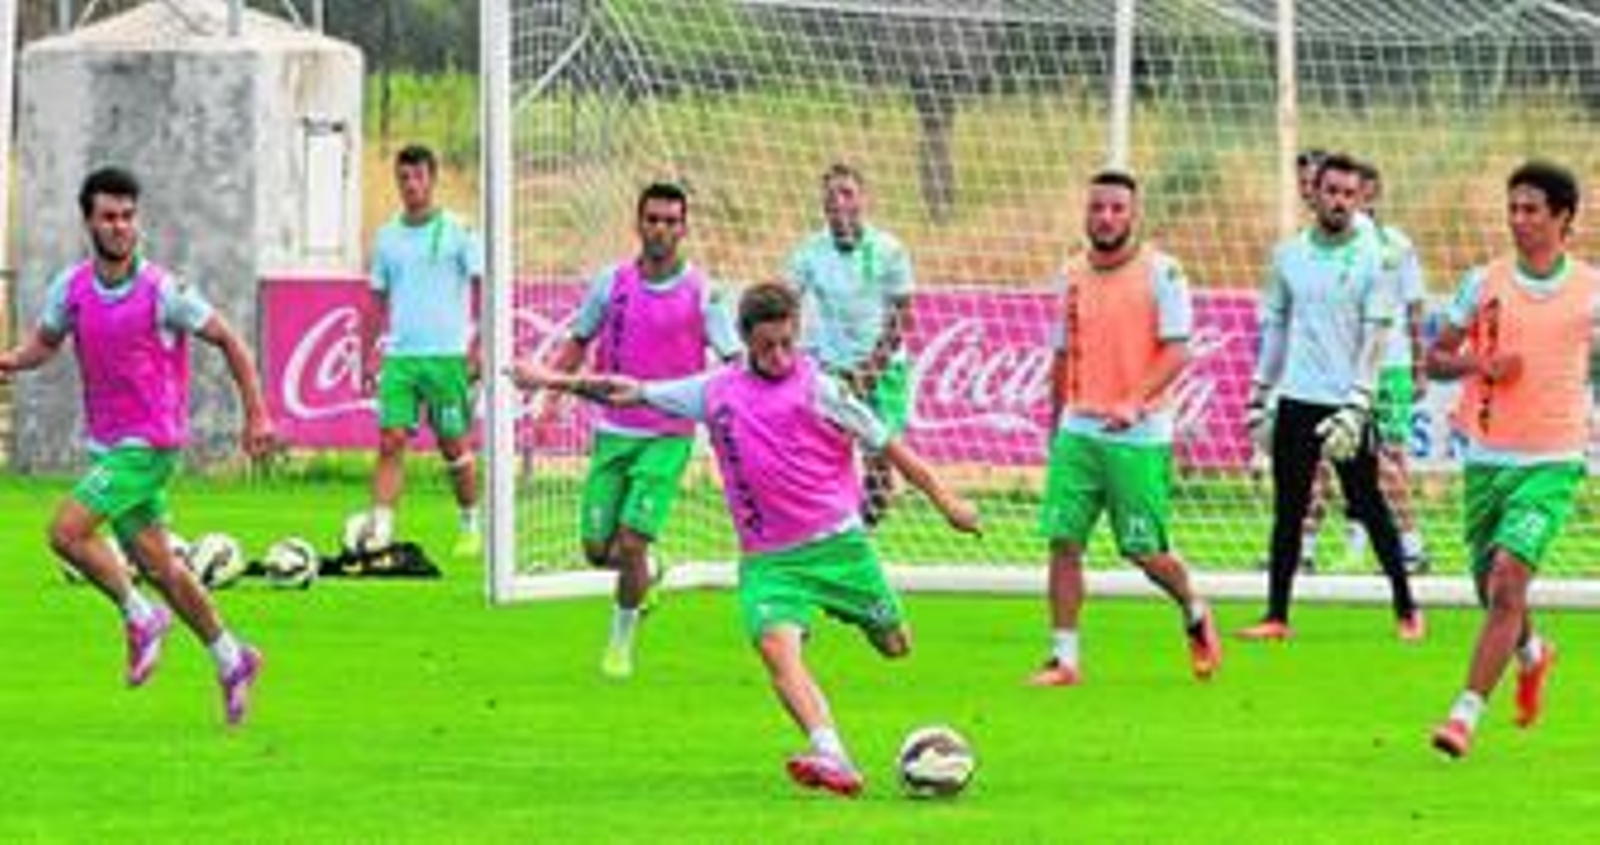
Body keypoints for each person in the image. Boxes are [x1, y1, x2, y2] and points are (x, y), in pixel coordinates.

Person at [510, 282, 980, 797]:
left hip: (837, 547)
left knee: (896, 645)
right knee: (776, 650)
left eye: (786, 343)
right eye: (766, 347)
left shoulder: (822, 389)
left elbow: (888, 445)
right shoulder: (716, 390)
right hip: (769, 561)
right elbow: (627, 389)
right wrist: (551, 379)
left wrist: (947, 501)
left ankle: (834, 616)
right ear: (744, 342)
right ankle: (833, 755)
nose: (779, 356)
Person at [0, 167, 272, 724]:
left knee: (66, 532)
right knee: (163, 568)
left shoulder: (163, 291)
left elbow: (230, 341)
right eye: (109, 217)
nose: (121, 227)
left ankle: (139, 616)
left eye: (128, 216)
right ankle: (231, 656)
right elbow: (44, 345)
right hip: (109, 446)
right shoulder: (71, 289)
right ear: (89, 222)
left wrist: (257, 415)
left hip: (149, 445)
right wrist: (8, 361)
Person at [543, 181, 741, 679]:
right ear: (638, 223)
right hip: (613, 431)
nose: (661, 229)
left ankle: (619, 645)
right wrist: (550, 397)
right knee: (597, 550)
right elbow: (578, 341)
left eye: (671, 221)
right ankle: (646, 574)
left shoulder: (703, 292)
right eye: (653, 219)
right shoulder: (611, 284)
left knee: (631, 541)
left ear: (684, 227)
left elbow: (734, 361)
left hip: (669, 435)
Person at [1031, 170, 1221, 686]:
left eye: (1117, 208)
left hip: (1139, 435)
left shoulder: (1164, 272)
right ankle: (1064, 657)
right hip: (1078, 429)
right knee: (1063, 541)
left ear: (1133, 215)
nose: (1106, 217)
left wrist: (1134, 401)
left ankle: (1194, 609)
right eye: (1097, 208)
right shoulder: (1069, 274)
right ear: (1085, 213)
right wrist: (1055, 427)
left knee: (1143, 550)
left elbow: (1178, 348)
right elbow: (1062, 352)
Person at [1426, 161, 1589, 758]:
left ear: (1563, 218)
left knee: (1506, 579)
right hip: (1487, 457)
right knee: (1491, 588)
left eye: (1532, 210)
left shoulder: (1590, 292)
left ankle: (1463, 715)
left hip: (1553, 460)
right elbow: (1436, 359)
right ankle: (1531, 653)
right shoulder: (1482, 283)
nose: (1519, 220)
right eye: (1513, 208)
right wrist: (1479, 365)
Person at [1240, 152, 1423, 641]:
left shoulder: (1377, 257)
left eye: (1349, 193)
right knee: (1289, 508)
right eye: (1331, 191)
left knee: (1367, 503)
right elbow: (1276, 328)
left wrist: (1360, 402)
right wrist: (1259, 394)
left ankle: (1407, 608)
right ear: (1313, 193)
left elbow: (1376, 336)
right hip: (1297, 399)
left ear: (1360, 197)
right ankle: (1276, 616)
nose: (1340, 201)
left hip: (1349, 402)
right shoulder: (1288, 256)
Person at [1299, 161, 1432, 573]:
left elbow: (1414, 305)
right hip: (1337, 370)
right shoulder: (1319, 245)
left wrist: (1419, 363)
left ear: (1368, 195)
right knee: (1315, 458)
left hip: (1385, 368)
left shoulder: (1394, 245)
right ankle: (1303, 549)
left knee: (1385, 461)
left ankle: (1409, 545)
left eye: (1359, 191)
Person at [360, 144, 484, 559]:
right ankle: (380, 530)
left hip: (447, 356)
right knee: (391, 439)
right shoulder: (387, 237)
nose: (410, 186)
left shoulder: (459, 230)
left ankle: (470, 523)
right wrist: (368, 353)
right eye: (403, 178)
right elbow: (376, 298)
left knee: (453, 444)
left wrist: (478, 345)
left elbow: (484, 287)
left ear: (433, 179)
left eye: (417, 177)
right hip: (401, 357)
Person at [785, 163, 914, 526]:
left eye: (847, 193)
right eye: (831, 195)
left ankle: (865, 536)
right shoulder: (809, 252)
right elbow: (786, 304)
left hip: (884, 369)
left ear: (863, 199)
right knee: (822, 454)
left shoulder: (889, 249)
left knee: (879, 464)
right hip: (832, 368)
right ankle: (826, 529)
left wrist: (872, 369)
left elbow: (903, 314)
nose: (838, 201)